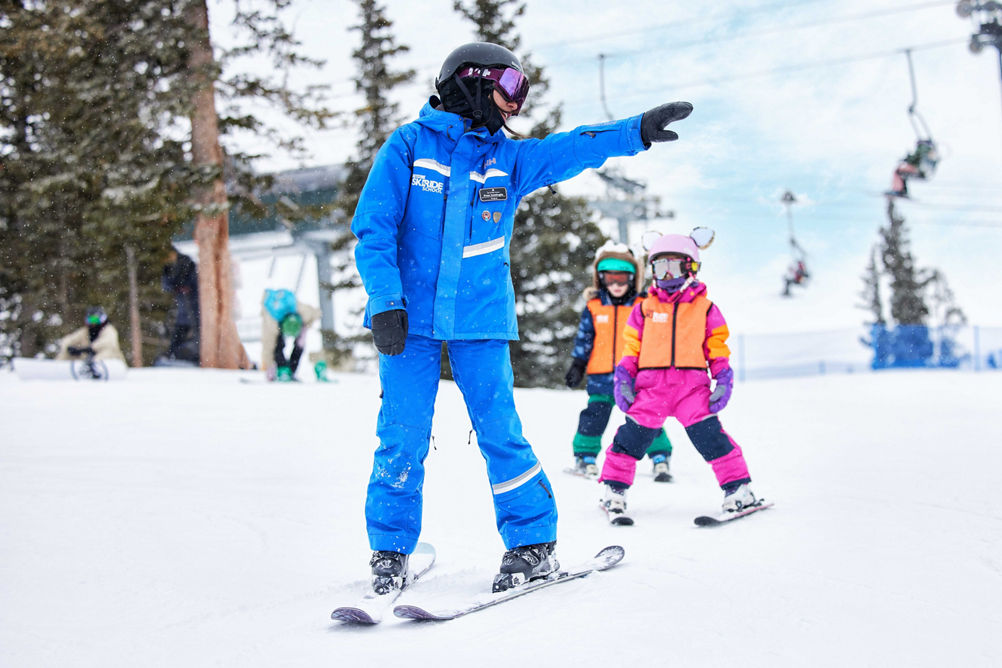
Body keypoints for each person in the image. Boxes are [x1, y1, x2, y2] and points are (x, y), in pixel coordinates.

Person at [351, 40, 693, 594]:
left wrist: (637, 131)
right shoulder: (410, 147)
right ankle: (389, 550)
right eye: (511, 89)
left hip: (480, 322)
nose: (515, 104)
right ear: (471, 82)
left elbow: (571, 147)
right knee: (400, 435)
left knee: (500, 432)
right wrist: (386, 300)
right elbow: (375, 229)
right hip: (408, 323)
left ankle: (532, 543)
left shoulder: (507, 160)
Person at [598, 231, 759, 524]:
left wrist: (722, 377)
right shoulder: (644, 308)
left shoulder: (705, 309)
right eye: (660, 267)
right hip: (651, 390)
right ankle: (614, 491)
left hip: (691, 390)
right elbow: (631, 347)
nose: (667, 274)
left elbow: (717, 346)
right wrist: (624, 377)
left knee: (711, 439)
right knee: (629, 439)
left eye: (674, 266)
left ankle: (739, 489)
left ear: (691, 267)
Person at [565, 241, 674, 482]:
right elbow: (585, 338)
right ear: (600, 278)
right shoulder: (594, 306)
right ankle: (585, 456)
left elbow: (657, 338)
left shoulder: (642, 305)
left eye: (622, 279)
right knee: (594, 416)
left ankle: (660, 457)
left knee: (646, 417)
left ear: (633, 279)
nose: (615, 285)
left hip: (636, 377)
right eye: (609, 279)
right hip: (601, 375)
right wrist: (577, 364)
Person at [261, 288, 319, 382]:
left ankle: (290, 371)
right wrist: (270, 367)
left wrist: (305, 328)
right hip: (272, 310)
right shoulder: (272, 323)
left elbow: (317, 313)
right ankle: (282, 368)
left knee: (299, 346)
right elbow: (267, 347)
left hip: (295, 318)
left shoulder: (304, 313)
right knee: (277, 346)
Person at [55, 306, 126, 374]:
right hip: (88, 359)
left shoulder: (109, 330)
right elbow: (69, 339)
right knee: (66, 352)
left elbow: (107, 342)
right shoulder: (85, 331)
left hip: (111, 363)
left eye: (95, 319)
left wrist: (89, 348)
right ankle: (57, 368)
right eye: (90, 320)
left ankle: (96, 369)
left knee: (106, 352)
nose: (93, 323)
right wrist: (71, 348)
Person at [161, 247, 200, 362]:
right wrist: (176, 287)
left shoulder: (187, 263)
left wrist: (185, 287)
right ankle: (172, 354)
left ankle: (198, 355)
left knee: (196, 330)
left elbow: (194, 282)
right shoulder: (167, 268)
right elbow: (166, 285)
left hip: (193, 305)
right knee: (179, 332)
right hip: (183, 308)